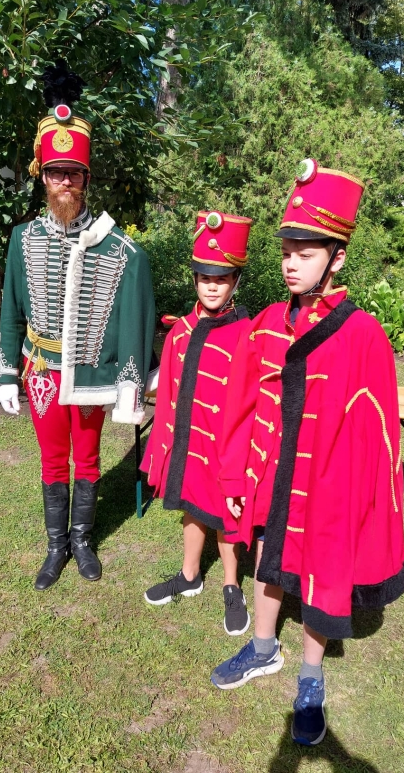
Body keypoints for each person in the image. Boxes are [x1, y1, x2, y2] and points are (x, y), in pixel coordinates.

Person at [210, 159, 404, 746]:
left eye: (305, 252)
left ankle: (311, 676)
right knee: (267, 554)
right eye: (286, 252)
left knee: (321, 570)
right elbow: (240, 405)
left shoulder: (362, 333)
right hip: (270, 472)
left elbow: (377, 432)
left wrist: (359, 500)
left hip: (327, 484)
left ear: (336, 258)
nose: (291, 263)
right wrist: (235, 474)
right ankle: (263, 647)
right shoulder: (267, 323)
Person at [0, 61, 156, 589]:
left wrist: (132, 379)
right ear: (41, 176)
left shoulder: (116, 246)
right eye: (55, 172)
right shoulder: (23, 239)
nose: (64, 181)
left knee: (86, 459)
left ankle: (83, 541)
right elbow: (11, 309)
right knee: (51, 461)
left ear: (87, 179)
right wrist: (6, 373)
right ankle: (55, 546)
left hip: (88, 374)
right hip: (42, 371)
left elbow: (133, 311)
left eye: (74, 173)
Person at [142, 210, 254, 636]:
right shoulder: (181, 330)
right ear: (194, 279)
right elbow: (168, 399)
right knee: (191, 506)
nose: (211, 285)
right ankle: (190, 575)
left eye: (221, 278)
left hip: (226, 448)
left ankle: (231, 585)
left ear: (235, 281)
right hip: (187, 443)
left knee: (225, 515)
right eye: (205, 277)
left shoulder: (247, 333)